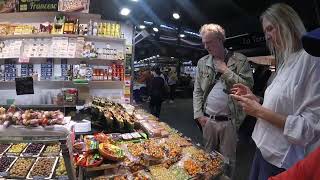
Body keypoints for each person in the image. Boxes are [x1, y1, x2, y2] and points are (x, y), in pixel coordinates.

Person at [230, 3, 320, 180]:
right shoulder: (286, 61)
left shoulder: (311, 59)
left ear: (288, 23)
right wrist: (256, 99)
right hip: (262, 148)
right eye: (265, 32)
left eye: (270, 29)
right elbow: (283, 106)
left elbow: (310, 129)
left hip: (280, 160)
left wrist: (258, 111)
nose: (268, 37)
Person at [193, 23, 253, 179]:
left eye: (210, 42)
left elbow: (248, 87)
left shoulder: (239, 60)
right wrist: (199, 115)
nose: (206, 46)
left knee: (227, 161)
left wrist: (225, 71)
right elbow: (198, 91)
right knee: (207, 158)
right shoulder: (202, 62)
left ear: (220, 40)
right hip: (208, 120)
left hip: (230, 122)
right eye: (204, 43)